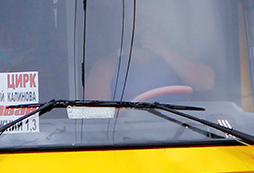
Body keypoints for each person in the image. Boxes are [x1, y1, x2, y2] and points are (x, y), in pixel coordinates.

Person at [86, 5, 215, 101]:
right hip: (129, 135)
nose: (146, 24)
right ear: (124, 23)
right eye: (139, 18)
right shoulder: (107, 65)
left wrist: (163, 49)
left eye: (152, 19)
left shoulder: (176, 58)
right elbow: (94, 115)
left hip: (180, 135)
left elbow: (207, 82)